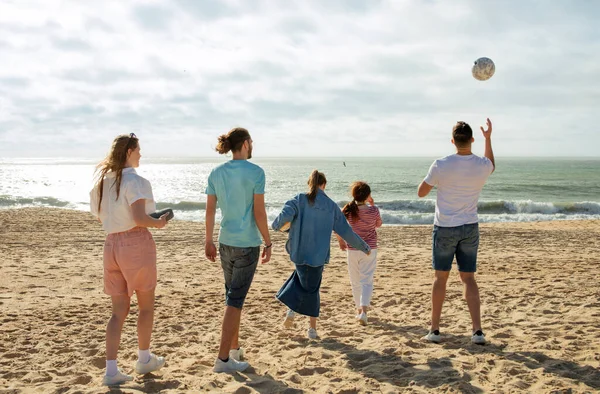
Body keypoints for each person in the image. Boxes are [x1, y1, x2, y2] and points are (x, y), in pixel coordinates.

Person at [90, 133, 168, 386]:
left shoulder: (102, 182)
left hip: (111, 244)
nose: (141, 154)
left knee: (118, 312)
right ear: (128, 152)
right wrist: (158, 222)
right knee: (145, 306)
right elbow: (139, 218)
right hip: (135, 243)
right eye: (138, 150)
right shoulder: (136, 181)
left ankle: (111, 371)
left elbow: (101, 216)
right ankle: (144, 358)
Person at [417, 118, 495, 345]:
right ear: (472, 139)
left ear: (452, 141)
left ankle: (434, 330)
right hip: (469, 226)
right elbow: (491, 162)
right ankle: (477, 332)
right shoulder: (481, 165)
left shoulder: (441, 164)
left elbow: (421, 192)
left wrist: (437, 181)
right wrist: (488, 138)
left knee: (440, 278)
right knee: (468, 278)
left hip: (444, 228)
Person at [272, 170, 371, 339]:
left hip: (299, 251)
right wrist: (364, 247)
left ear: (309, 184)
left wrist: (283, 228)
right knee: (312, 289)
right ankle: (311, 329)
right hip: (317, 256)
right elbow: (346, 232)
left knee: (302, 279)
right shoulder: (331, 206)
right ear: (324, 184)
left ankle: (291, 312)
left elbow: (281, 220)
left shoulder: (298, 199)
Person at [204, 127, 272, 373]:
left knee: (233, 297)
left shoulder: (216, 172)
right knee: (234, 300)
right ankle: (222, 360)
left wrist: (208, 240)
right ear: (244, 144)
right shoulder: (256, 172)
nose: (252, 145)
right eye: (251, 141)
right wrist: (268, 241)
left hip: (225, 242)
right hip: (246, 244)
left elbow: (210, 211)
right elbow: (259, 212)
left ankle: (233, 350)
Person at [337, 181, 382, 325]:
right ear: (368, 195)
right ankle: (363, 311)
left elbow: (337, 225)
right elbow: (378, 224)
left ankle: (358, 310)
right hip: (369, 249)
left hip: (353, 248)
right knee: (366, 281)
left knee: (355, 281)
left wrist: (341, 241)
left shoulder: (349, 209)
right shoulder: (373, 210)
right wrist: (373, 205)